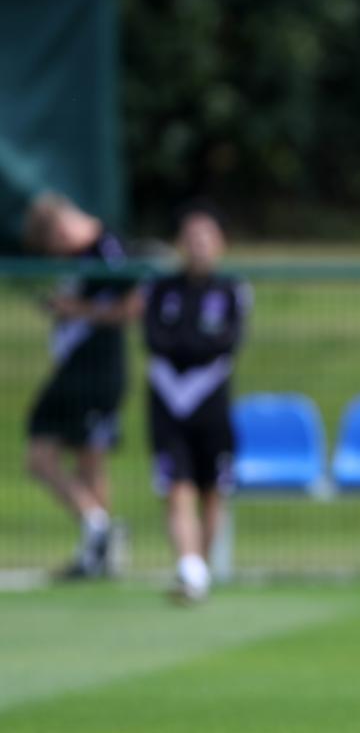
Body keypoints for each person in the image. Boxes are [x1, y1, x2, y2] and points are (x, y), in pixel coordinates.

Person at [24, 192, 143, 579]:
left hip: (97, 369)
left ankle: (99, 537)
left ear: (60, 230)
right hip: (76, 367)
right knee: (71, 457)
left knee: (67, 456)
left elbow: (133, 305)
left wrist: (77, 310)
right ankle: (98, 543)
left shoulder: (107, 248)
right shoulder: (80, 257)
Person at [142, 201, 250, 603]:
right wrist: (189, 347)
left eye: (206, 237)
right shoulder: (160, 289)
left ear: (221, 243)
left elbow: (226, 341)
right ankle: (189, 567)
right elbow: (155, 339)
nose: (198, 244)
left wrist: (190, 347)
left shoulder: (232, 290)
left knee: (211, 489)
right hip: (168, 400)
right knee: (176, 485)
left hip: (211, 401)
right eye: (191, 237)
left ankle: (198, 570)